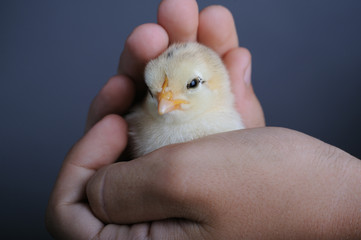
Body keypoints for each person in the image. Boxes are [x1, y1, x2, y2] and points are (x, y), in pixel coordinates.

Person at [45, 0, 361, 239]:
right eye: (157, 94)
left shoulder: (228, 125)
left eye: (192, 85)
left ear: (216, 85)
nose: (164, 102)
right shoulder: (138, 124)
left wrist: (331, 206)